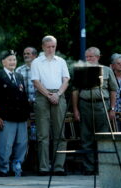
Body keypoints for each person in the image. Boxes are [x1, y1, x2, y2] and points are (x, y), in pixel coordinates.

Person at [72, 47, 118, 175]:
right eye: (86, 57)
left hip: (102, 105)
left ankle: (103, 167)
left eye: (91, 56)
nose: (88, 59)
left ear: (98, 57)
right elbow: (75, 91)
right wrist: (76, 110)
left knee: (103, 137)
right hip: (85, 105)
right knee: (86, 137)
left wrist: (112, 109)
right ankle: (89, 167)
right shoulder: (81, 70)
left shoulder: (107, 70)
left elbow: (113, 90)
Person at [31, 35, 70, 176]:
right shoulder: (36, 62)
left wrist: (58, 94)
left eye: (53, 46)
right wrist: (48, 95)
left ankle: (59, 167)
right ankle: (43, 167)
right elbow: (35, 81)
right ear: (43, 47)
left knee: (60, 133)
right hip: (43, 95)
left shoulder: (61, 61)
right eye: (48, 46)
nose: (51, 49)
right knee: (43, 134)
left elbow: (66, 80)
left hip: (58, 94)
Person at [0, 50, 30, 177]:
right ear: (3, 62)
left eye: (14, 60)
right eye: (10, 60)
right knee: (5, 146)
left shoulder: (19, 77)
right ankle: (4, 169)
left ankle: (16, 168)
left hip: (21, 117)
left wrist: (27, 116)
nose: (13, 62)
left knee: (21, 145)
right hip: (6, 117)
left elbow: (24, 97)